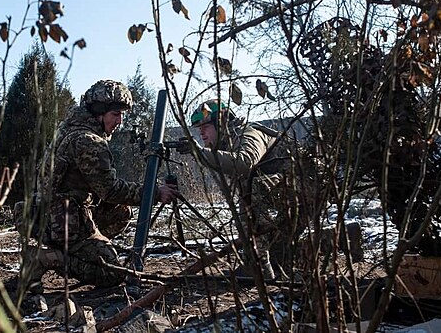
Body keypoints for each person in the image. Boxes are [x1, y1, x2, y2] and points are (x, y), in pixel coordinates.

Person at [18, 79, 179, 293]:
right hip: (64, 222)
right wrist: (155, 192)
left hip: (52, 215)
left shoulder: (69, 130)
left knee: (121, 213)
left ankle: (81, 251)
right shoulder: (87, 141)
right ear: (99, 112)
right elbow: (110, 190)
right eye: (115, 114)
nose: (120, 121)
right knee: (112, 273)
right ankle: (47, 257)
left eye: (122, 115)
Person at [177, 99, 285, 280]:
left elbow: (244, 162)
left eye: (206, 126)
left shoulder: (247, 133)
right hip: (289, 192)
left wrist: (202, 153)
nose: (201, 133)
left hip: (306, 188)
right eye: (199, 128)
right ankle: (261, 267)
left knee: (251, 194)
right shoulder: (227, 143)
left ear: (221, 123)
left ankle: (259, 268)